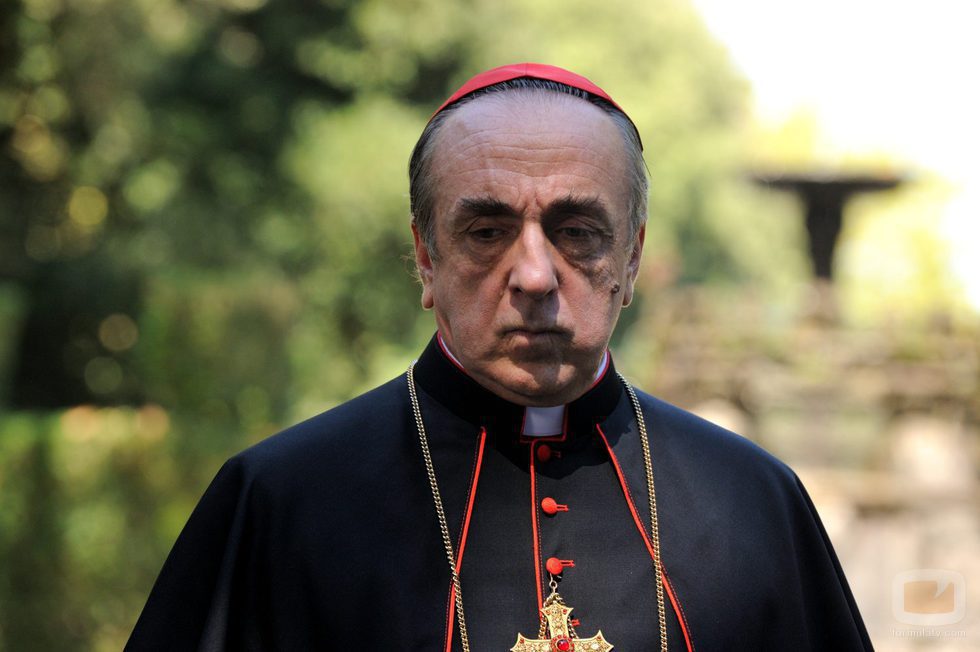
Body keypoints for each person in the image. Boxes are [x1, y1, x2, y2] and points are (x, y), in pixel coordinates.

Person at [127, 63, 872, 651]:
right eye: (487, 232)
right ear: (425, 257)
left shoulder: (754, 503)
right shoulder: (281, 502)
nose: (535, 276)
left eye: (577, 232)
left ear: (633, 257)